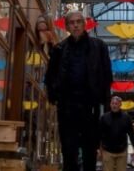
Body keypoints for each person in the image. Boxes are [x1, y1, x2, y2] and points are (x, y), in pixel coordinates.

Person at [45, 10, 113, 171]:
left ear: (84, 24)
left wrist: (103, 98)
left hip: (89, 106)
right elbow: (50, 76)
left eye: (78, 22)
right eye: (71, 22)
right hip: (67, 107)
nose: (75, 25)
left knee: (90, 150)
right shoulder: (59, 49)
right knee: (69, 151)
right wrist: (54, 95)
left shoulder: (99, 46)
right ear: (67, 26)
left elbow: (106, 74)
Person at [99, 96, 134, 171]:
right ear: (110, 104)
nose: (114, 105)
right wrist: (98, 148)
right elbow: (99, 134)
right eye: (112, 103)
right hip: (108, 151)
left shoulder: (126, 118)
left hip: (122, 151)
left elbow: (131, 134)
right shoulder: (104, 118)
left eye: (116, 104)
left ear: (120, 105)